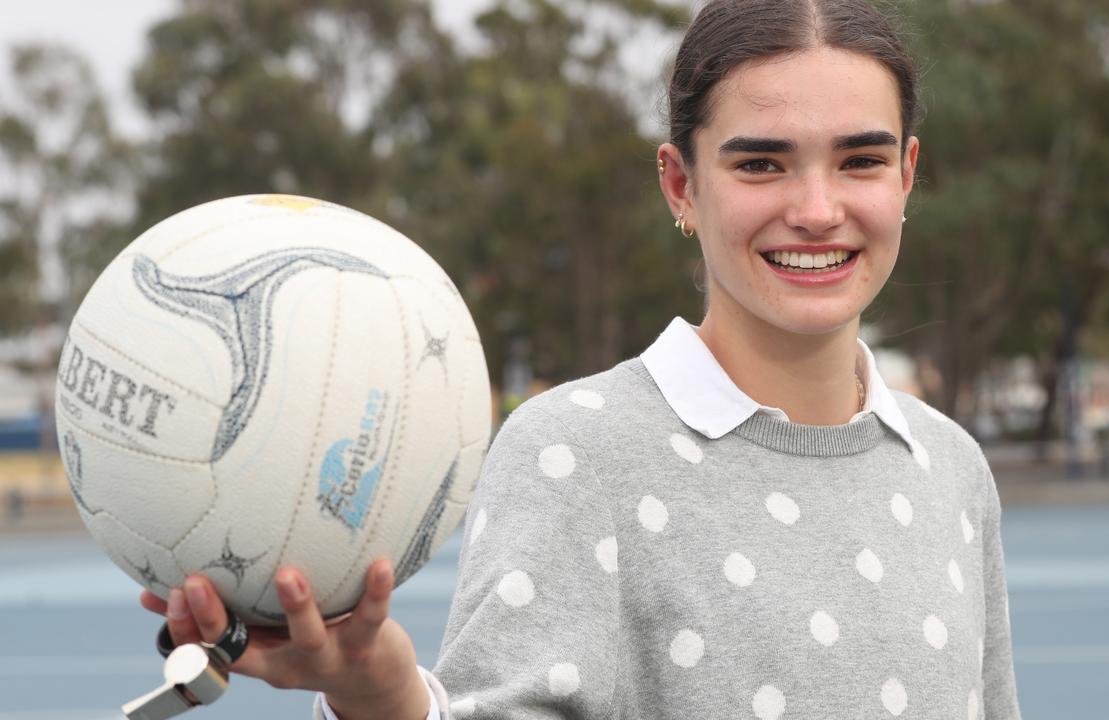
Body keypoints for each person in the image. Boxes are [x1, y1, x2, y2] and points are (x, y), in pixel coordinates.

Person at [141, 1, 1022, 717]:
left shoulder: (951, 468)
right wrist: (385, 697)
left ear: (906, 177)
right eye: (762, 165)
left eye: (859, 160)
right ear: (681, 185)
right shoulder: (575, 451)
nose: (819, 208)